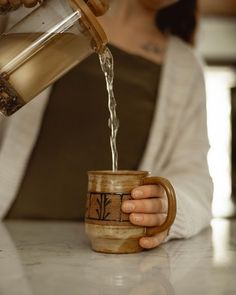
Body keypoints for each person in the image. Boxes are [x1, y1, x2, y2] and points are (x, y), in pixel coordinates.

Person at [0, 0, 213, 249]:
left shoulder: (184, 67)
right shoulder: (29, 13)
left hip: (107, 261)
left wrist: (167, 206)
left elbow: (196, 179)